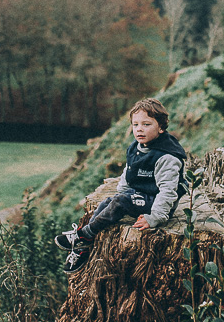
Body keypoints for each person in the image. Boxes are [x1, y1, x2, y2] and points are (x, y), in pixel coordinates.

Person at [55, 98, 188, 274]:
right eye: (135, 124)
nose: (139, 129)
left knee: (120, 202)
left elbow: (168, 191)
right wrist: (122, 193)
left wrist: (155, 217)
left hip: (158, 204)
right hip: (141, 195)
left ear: (161, 128)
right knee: (107, 203)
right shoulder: (137, 147)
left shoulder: (166, 157)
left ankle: (83, 235)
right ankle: (84, 246)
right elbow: (129, 170)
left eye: (146, 124)